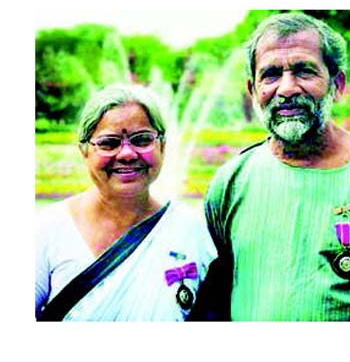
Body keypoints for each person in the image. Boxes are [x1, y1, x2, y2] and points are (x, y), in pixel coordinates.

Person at [194, 12, 350, 321]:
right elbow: (216, 293)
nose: (287, 88)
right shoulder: (231, 182)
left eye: (304, 71)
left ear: (337, 84)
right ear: (253, 90)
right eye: (271, 75)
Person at [35, 83, 217, 321]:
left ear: (162, 146)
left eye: (142, 140)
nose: (127, 154)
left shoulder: (191, 230)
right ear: (84, 151)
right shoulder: (49, 229)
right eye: (109, 143)